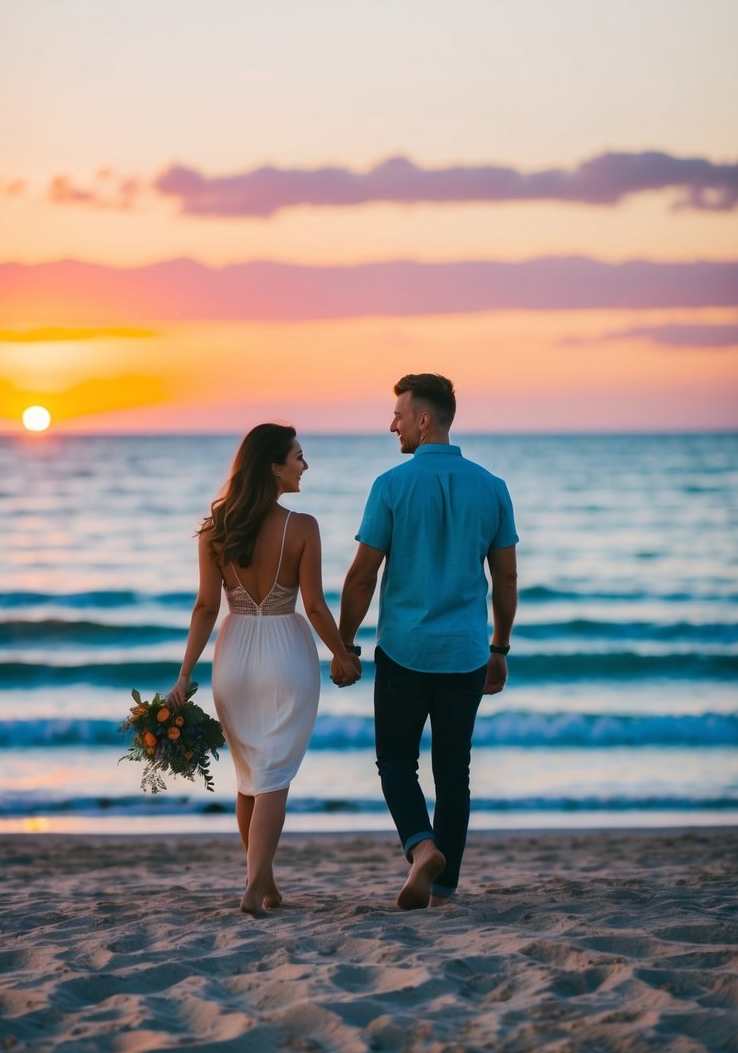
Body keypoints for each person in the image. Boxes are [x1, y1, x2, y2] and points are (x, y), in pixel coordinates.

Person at [333, 374, 518, 910]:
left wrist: (344, 642)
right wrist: (499, 648)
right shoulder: (492, 486)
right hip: (465, 650)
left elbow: (362, 575)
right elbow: (505, 579)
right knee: (453, 771)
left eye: (398, 414)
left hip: (404, 649)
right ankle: (444, 888)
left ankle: (420, 846)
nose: (391, 423)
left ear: (423, 419)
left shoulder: (390, 485)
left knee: (395, 760)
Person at [168, 423, 361, 916]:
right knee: (273, 776)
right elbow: (315, 605)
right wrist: (342, 653)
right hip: (285, 654)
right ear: (274, 467)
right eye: (298, 456)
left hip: (232, 658)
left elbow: (205, 608)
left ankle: (266, 883)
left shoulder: (216, 530)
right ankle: (253, 890)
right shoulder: (303, 527)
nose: (305, 465)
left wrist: (185, 675)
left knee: (250, 774)